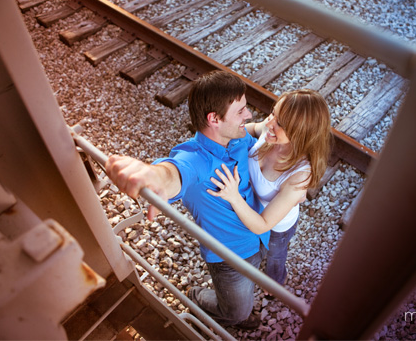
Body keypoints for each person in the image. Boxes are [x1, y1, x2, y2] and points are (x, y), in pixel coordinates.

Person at [105, 70, 268, 329]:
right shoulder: (196, 159)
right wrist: (154, 176)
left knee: (247, 291)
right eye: (241, 111)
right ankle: (199, 297)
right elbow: (173, 172)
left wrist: (267, 127)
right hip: (230, 258)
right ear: (214, 119)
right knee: (237, 312)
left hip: (260, 237)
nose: (248, 115)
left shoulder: (237, 138)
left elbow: (252, 129)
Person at [207, 89, 332, 292]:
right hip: (251, 209)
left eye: (280, 123)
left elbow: (263, 225)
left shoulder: (300, 174)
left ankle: (275, 284)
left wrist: (233, 196)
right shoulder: (270, 130)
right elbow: (244, 131)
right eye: (274, 112)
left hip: (276, 228)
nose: (270, 122)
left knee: (275, 255)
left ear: (301, 132)